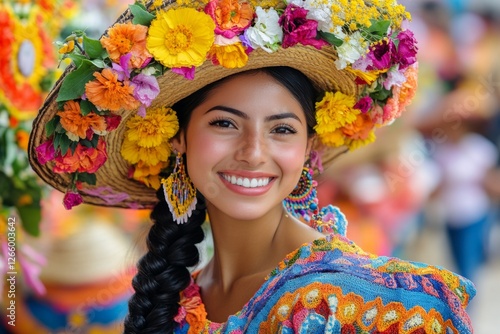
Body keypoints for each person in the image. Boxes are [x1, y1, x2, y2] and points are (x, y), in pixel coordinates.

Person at [28, 0, 475, 333]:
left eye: (281, 130)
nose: (253, 152)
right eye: (225, 123)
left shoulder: (360, 305)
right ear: (177, 137)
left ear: (307, 147)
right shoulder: (178, 298)